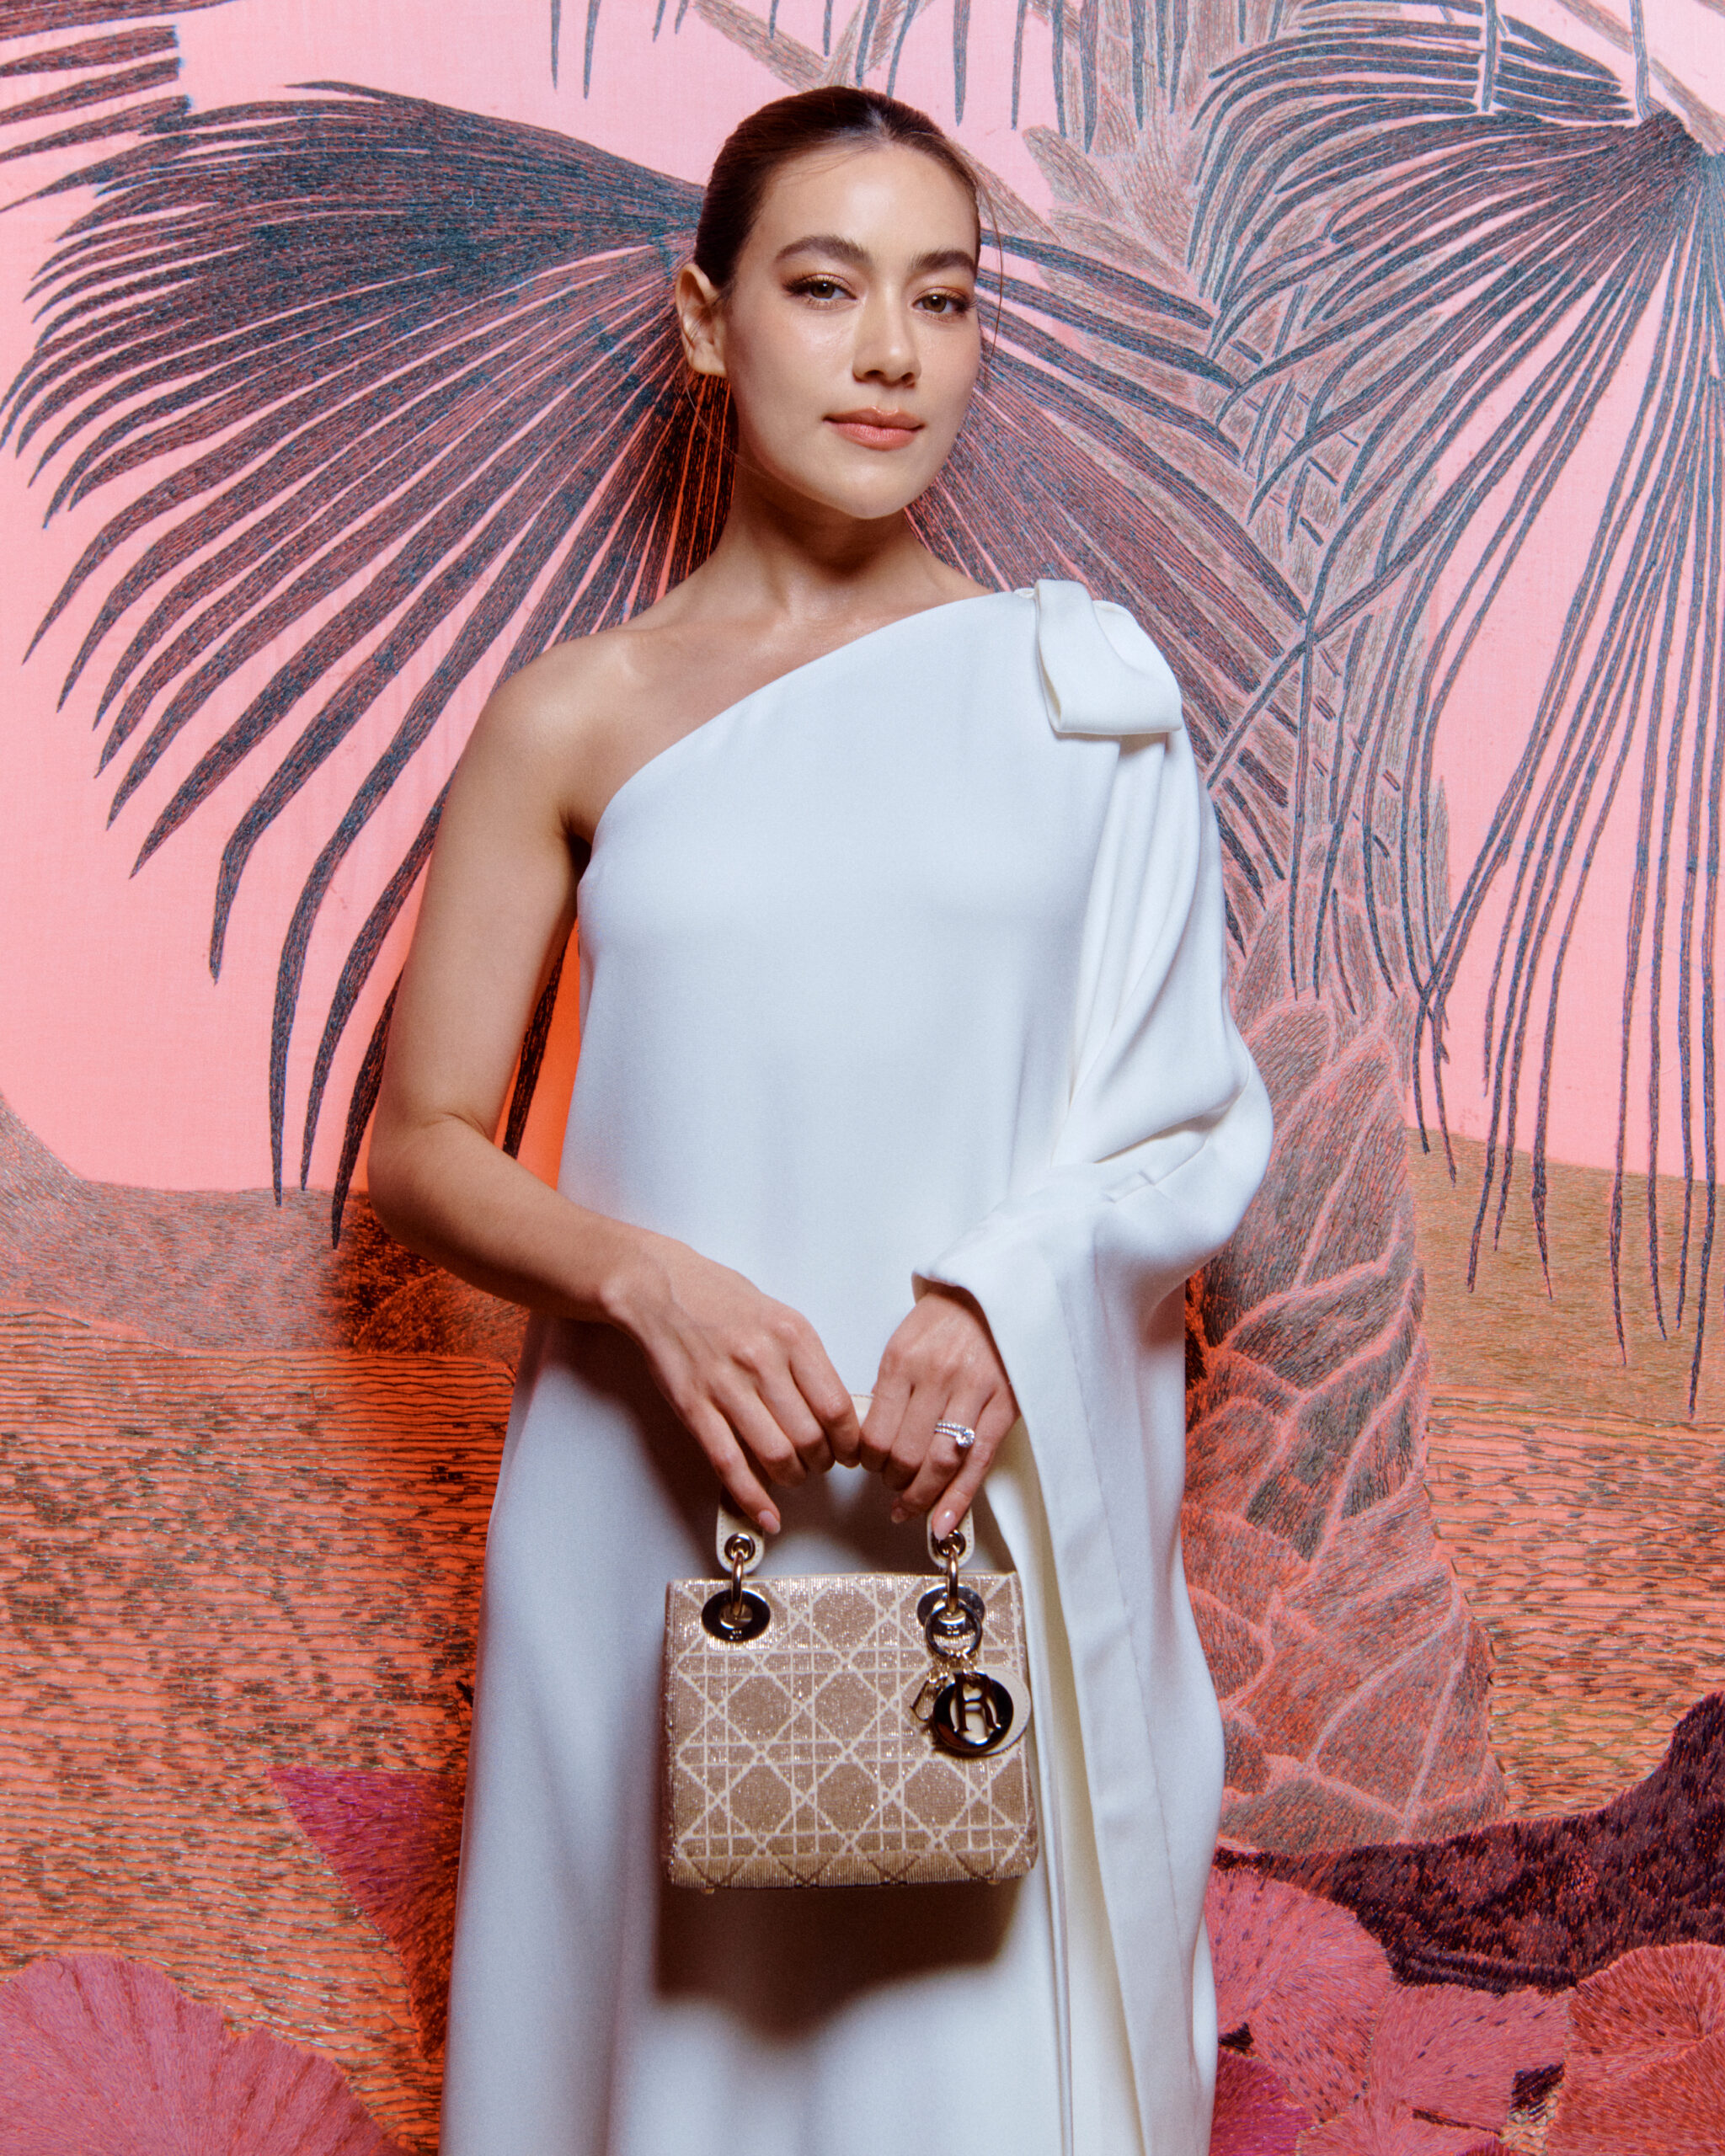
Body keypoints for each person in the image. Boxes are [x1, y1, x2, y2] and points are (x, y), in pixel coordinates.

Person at [368, 84, 1271, 2156]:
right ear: (707, 322)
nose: (889, 353)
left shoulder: (1082, 697)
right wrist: (645, 1282)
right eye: (823, 285)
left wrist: (1003, 1293)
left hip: (971, 1507)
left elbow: (1189, 1125)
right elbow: (424, 1140)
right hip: (644, 1501)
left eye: (941, 298)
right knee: (660, 2070)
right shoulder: (573, 713)